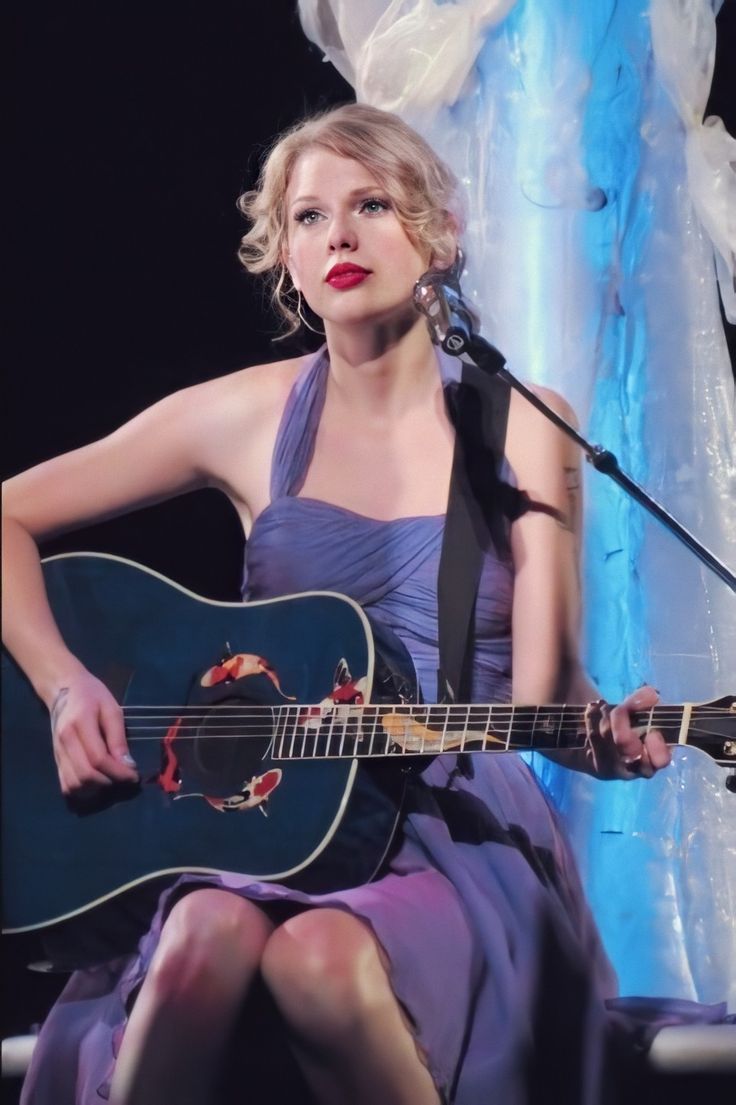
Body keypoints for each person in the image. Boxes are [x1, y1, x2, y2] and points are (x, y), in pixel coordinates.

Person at [2, 103, 671, 1105]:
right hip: (255, 820)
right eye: (309, 217)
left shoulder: (520, 423)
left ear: (435, 234)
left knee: (319, 959)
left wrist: (606, 742)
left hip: (445, 826)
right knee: (197, 937)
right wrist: (64, 689)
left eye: (370, 205)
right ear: (284, 255)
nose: (340, 236)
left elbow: (546, 690)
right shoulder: (241, 414)